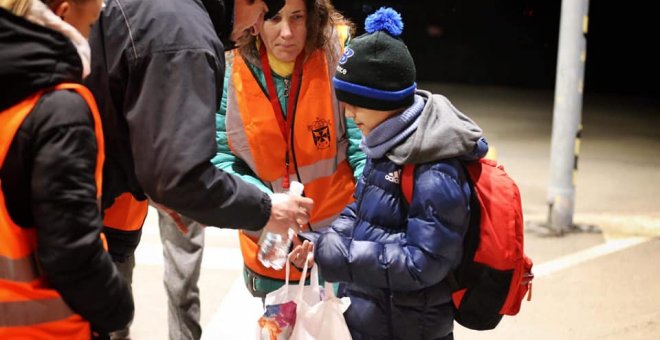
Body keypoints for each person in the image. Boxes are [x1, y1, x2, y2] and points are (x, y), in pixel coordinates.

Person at [84, 0, 315, 339]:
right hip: (79, 217)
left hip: (89, 206)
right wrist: (266, 208)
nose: (256, 27)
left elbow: (129, 121)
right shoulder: (184, 34)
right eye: (264, 13)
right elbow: (179, 176)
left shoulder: (169, 15)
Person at [156, 0, 365, 337]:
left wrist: (345, 228)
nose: (287, 32)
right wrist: (269, 209)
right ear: (255, 21)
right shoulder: (230, 67)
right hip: (271, 246)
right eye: (274, 19)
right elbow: (220, 156)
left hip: (338, 244)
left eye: (297, 18)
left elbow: (364, 149)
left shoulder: (336, 56)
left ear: (313, 17)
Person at [290, 7, 489, 340]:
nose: (349, 113)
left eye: (356, 103)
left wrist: (338, 256)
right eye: (344, 102)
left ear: (387, 101)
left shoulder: (434, 164)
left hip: (411, 329)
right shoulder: (386, 142)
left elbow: (423, 261)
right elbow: (361, 212)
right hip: (372, 319)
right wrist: (319, 242)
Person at [0, 0, 133, 338]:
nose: (102, 8)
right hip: (44, 327)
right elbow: (71, 253)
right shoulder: (60, 108)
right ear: (62, 11)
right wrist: (117, 309)